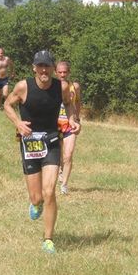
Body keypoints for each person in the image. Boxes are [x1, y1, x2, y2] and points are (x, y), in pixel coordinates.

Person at [4, 50, 81, 254]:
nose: (44, 70)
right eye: (40, 66)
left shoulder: (61, 87)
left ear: (52, 68)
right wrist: (18, 122)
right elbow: (7, 105)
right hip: (30, 144)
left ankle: (48, 239)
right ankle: (35, 204)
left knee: (49, 192)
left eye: (47, 66)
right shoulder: (23, 86)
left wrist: (73, 119)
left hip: (52, 141)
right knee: (37, 197)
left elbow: (68, 104)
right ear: (34, 68)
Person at [56, 61, 82, 195]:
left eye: (64, 72)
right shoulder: (51, 86)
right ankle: (60, 171)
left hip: (69, 124)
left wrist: (77, 118)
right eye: (59, 72)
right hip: (55, 124)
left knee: (68, 155)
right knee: (59, 154)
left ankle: (64, 185)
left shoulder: (75, 86)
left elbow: (77, 102)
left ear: (69, 72)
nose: (62, 74)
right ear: (55, 72)